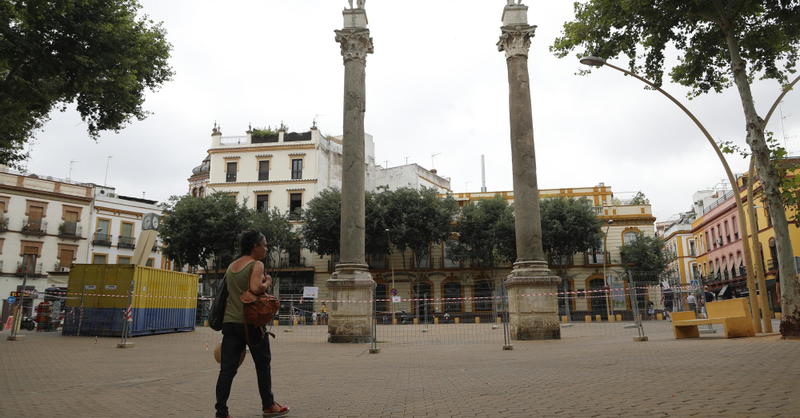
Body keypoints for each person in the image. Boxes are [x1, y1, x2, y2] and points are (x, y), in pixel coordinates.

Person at [215, 230, 289, 418]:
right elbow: (256, 289)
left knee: (227, 370)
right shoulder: (256, 264)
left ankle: (221, 412)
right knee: (263, 364)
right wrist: (268, 282)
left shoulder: (232, 266)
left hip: (230, 323)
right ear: (255, 246)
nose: (266, 248)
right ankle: (268, 405)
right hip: (251, 323)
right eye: (264, 245)